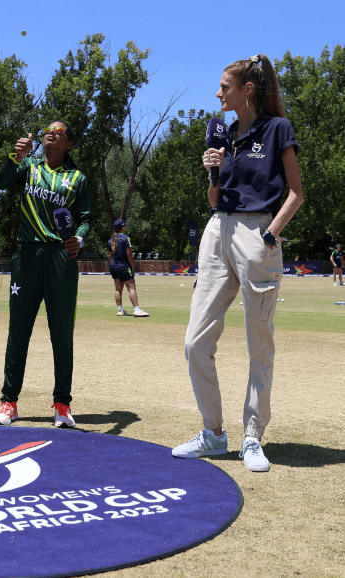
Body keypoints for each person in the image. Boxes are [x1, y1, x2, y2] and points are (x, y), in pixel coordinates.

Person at [173, 55, 304, 472]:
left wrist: (270, 235)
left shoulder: (277, 129)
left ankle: (252, 438)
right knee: (195, 341)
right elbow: (215, 200)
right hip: (217, 231)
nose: (218, 94)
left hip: (256, 235)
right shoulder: (226, 134)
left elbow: (296, 193)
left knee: (258, 342)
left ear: (247, 89)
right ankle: (213, 433)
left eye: (224, 87)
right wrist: (212, 174)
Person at [0, 122, 92, 428]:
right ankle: (9, 402)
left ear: (69, 145)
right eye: (49, 129)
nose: (51, 133)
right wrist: (15, 157)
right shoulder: (30, 168)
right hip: (28, 254)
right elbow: (0, 182)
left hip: (61, 256)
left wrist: (80, 239)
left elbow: (85, 220)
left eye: (59, 132)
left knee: (62, 333)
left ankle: (62, 404)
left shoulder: (78, 179)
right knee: (18, 329)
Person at [108, 219, 149, 317]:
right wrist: (133, 267)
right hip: (124, 266)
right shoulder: (125, 238)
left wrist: (112, 265)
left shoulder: (110, 240)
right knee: (131, 288)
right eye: (125, 226)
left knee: (118, 289)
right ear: (122, 228)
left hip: (114, 266)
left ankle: (120, 310)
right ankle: (137, 309)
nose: (126, 227)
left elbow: (110, 256)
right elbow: (129, 254)